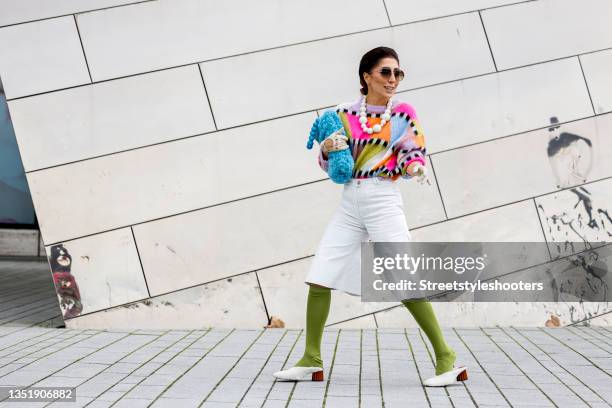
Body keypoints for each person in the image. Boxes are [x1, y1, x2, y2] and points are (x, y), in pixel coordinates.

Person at [273, 46, 467, 387]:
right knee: (320, 275)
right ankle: (311, 360)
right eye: (386, 72)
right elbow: (331, 161)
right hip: (351, 200)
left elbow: (412, 150)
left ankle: (446, 358)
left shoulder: (402, 113)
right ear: (367, 76)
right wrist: (327, 151)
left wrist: (415, 166)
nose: (393, 79)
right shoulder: (344, 113)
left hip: (382, 198)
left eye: (398, 73)